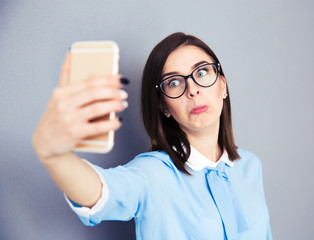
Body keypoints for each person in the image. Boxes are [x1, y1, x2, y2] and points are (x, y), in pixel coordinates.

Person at [32, 32, 272, 240]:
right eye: (174, 82)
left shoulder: (250, 165)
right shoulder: (154, 174)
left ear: (222, 85)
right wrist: (55, 156)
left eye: (202, 72)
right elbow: (103, 191)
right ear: (164, 106)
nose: (193, 89)